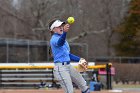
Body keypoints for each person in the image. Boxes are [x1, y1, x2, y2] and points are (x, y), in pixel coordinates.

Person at [49, 19, 90, 93]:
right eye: (58, 26)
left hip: (68, 66)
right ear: (53, 29)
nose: (61, 27)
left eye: (61, 25)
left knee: (84, 86)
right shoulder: (54, 39)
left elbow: (68, 55)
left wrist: (80, 59)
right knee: (69, 91)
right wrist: (64, 32)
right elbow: (60, 43)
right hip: (60, 68)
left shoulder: (64, 40)